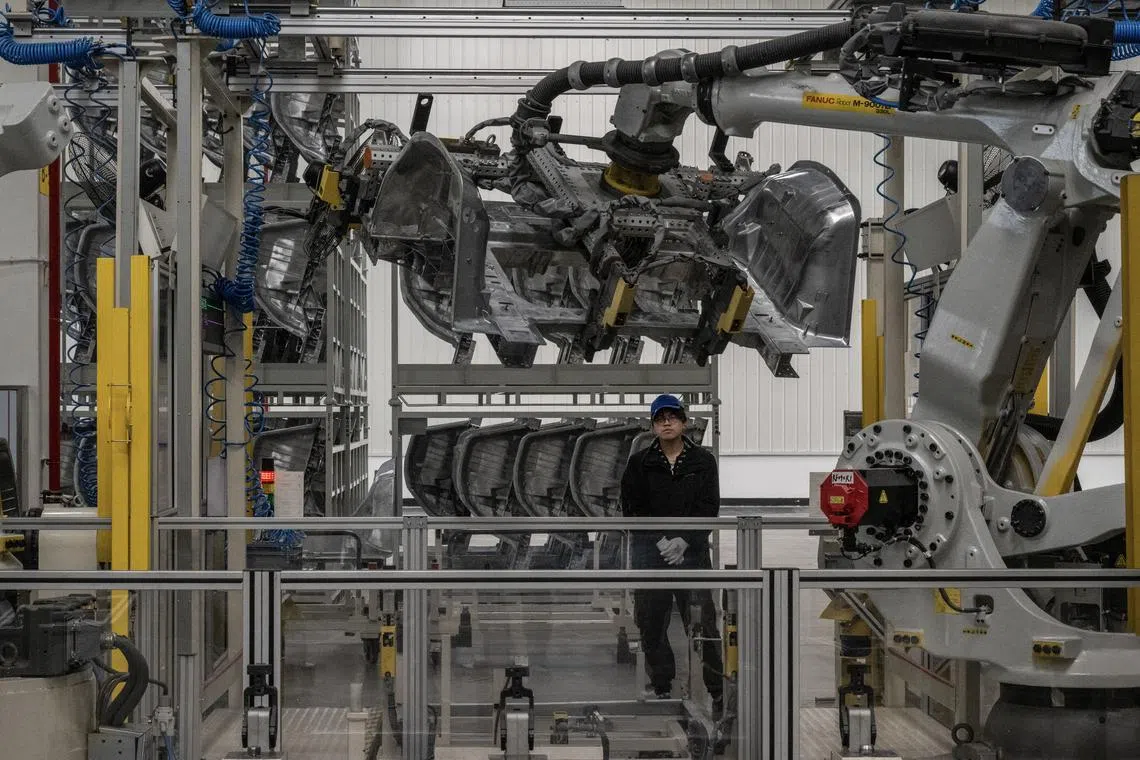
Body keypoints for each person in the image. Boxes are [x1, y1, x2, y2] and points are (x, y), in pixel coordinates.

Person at [621, 393, 724, 716]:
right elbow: (633, 510)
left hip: (691, 556)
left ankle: (717, 689)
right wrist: (662, 541)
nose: (666, 422)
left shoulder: (703, 462)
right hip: (652, 556)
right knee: (651, 622)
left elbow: (708, 508)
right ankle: (663, 684)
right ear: (652, 426)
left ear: (684, 422)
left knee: (704, 623)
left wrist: (684, 541)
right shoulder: (639, 463)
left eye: (672, 417)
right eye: (659, 418)